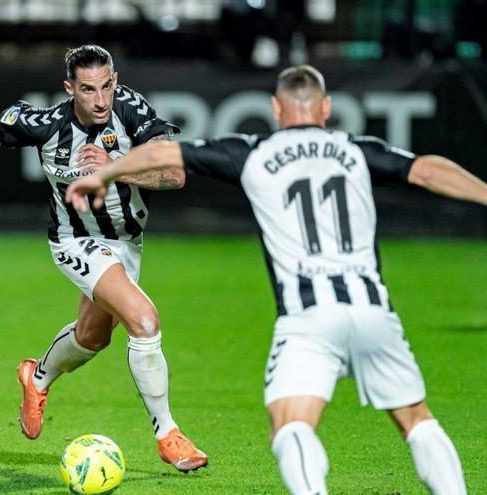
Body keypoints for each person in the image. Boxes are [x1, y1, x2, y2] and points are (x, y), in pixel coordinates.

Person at [66, 65, 478, 494]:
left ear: (277, 109)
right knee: (417, 420)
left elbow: (162, 154)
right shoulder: (354, 149)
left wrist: (104, 174)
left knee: (290, 427)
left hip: (307, 319)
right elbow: (427, 170)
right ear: (327, 108)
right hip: (374, 310)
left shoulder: (253, 152)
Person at [0, 45, 208, 472]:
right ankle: (168, 434)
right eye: (87, 89)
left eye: (106, 86)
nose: (100, 100)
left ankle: (37, 376)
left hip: (126, 242)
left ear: (115, 80)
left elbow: (174, 174)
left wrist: (114, 168)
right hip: (75, 240)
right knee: (145, 320)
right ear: (69, 89)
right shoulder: (47, 125)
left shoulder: (132, 111)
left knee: (93, 336)